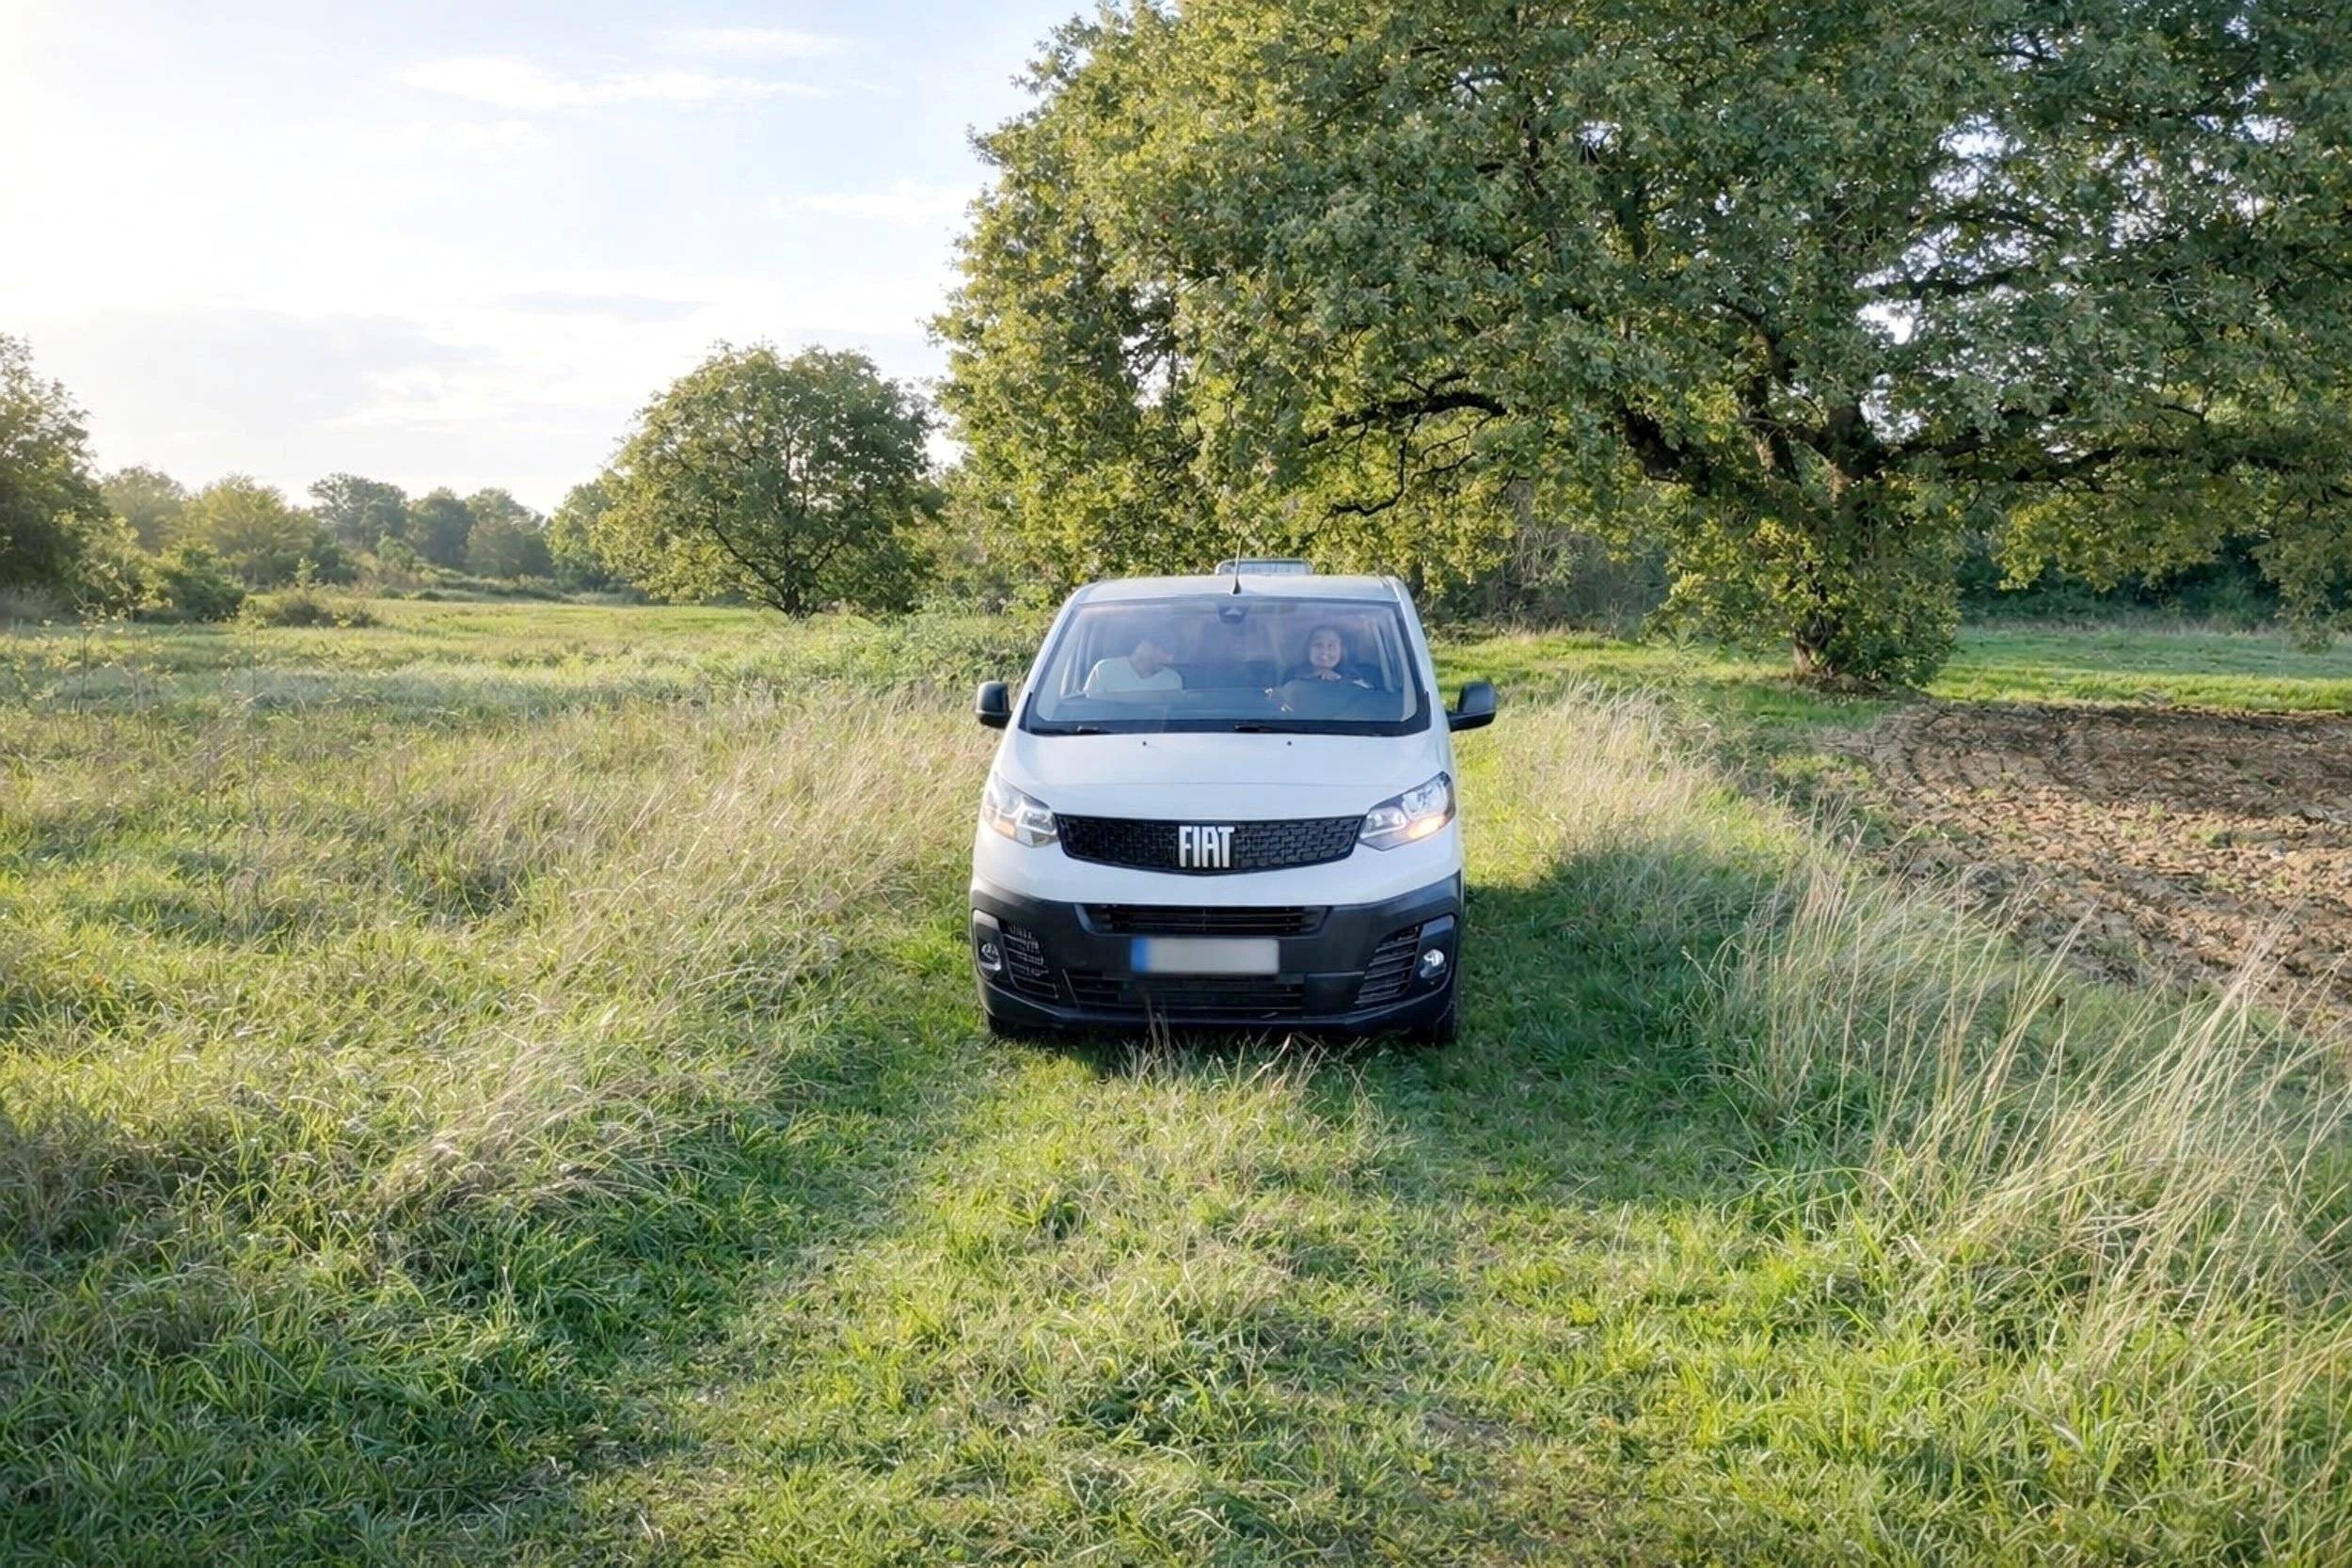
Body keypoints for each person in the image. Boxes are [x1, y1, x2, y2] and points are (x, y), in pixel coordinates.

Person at [1083, 633, 1183, 696]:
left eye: (1172, 653)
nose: (1170, 659)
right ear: (1145, 646)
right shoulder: (1105, 670)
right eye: (1166, 650)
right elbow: (1088, 708)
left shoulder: (1172, 679)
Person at [1288, 624, 1372, 687]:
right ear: (1307, 649)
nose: (1325, 652)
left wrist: (1340, 680)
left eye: (1331, 646)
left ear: (1342, 650)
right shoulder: (1292, 678)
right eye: (1318, 645)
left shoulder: (1357, 678)